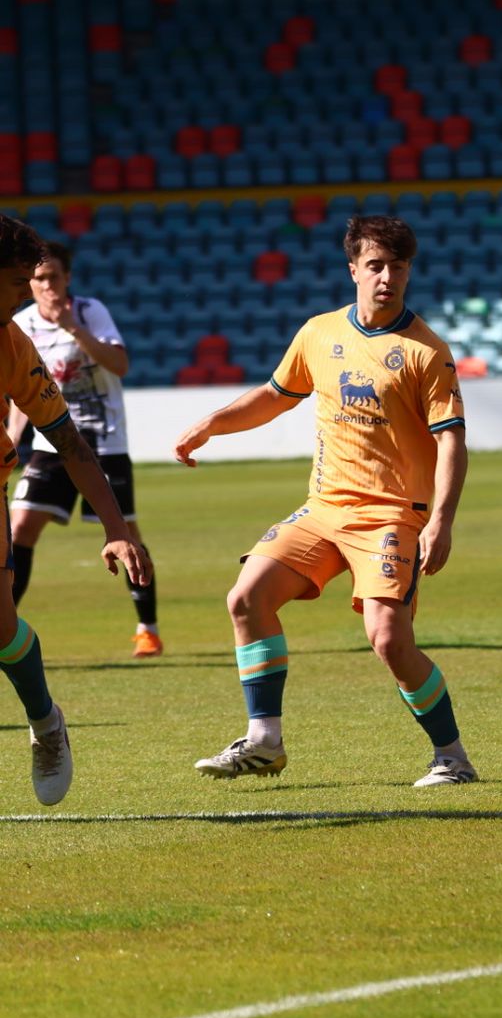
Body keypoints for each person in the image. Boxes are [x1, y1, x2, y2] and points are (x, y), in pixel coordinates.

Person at [173, 216, 474, 787]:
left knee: (390, 640)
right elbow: (274, 395)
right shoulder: (318, 333)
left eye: (399, 267)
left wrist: (441, 519)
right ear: (354, 270)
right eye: (376, 266)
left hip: (390, 515)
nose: (388, 277)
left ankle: (453, 758)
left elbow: (451, 440)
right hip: (323, 508)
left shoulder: (426, 351)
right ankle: (264, 741)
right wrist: (210, 424)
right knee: (247, 597)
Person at [0, 216, 151, 804]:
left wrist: (116, 527)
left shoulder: (14, 345)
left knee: (2, 629)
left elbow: (68, 440)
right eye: (15, 284)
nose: (23, 298)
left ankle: (46, 725)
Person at [8, 242, 162, 657]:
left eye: (53, 277)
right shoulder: (20, 323)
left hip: (102, 438)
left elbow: (119, 365)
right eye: (38, 279)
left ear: (67, 278)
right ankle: (5, 625)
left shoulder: (90, 311)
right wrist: (11, 435)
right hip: (48, 441)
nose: (46, 286)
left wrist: (71, 325)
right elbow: (21, 391)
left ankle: (147, 627)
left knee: (127, 533)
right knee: (20, 528)